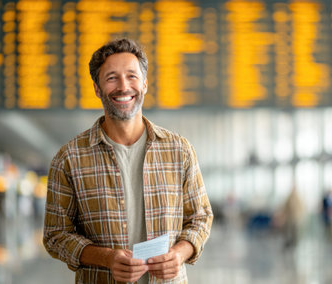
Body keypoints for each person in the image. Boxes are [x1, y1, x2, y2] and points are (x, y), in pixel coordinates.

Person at [43, 38, 213, 284]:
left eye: (132, 76)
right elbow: (55, 235)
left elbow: (201, 217)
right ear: (97, 88)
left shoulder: (180, 151)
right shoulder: (69, 159)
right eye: (112, 78)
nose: (123, 86)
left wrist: (179, 254)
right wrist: (107, 258)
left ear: (144, 84)